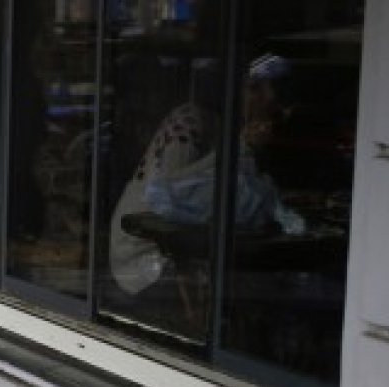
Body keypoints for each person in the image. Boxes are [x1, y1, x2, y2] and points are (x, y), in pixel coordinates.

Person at [108, 54, 304, 299]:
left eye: (268, 89)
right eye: (254, 88)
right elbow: (167, 189)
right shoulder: (191, 120)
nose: (269, 97)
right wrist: (242, 148)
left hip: (178, 244)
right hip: (144, 254)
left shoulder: (227, 127)